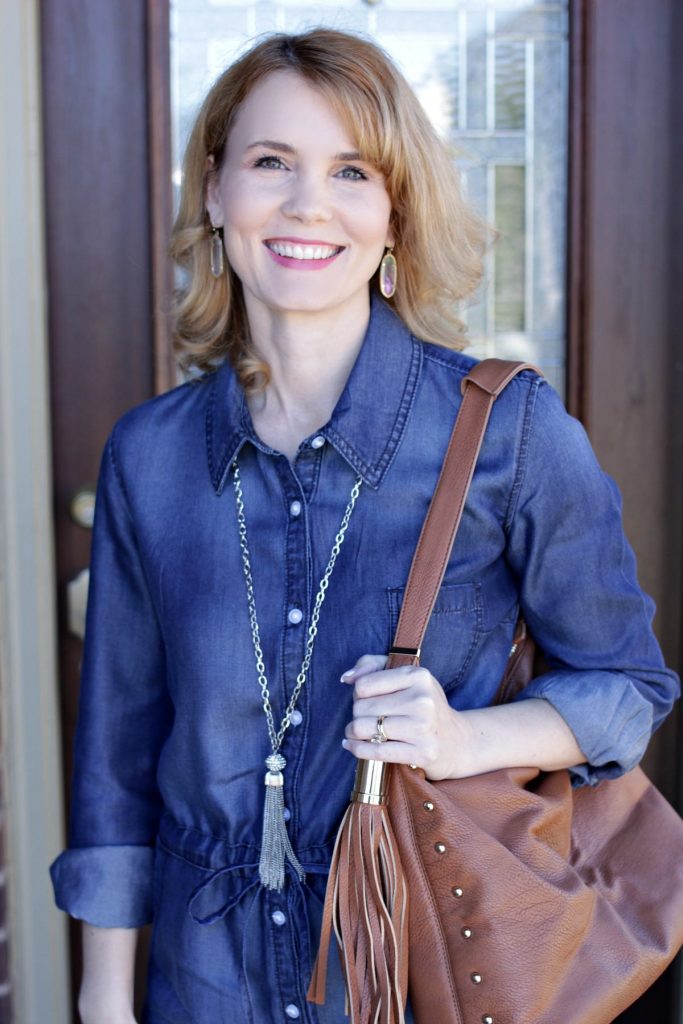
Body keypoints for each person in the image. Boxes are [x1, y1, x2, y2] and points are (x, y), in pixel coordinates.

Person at [50, 27, 680, 1024]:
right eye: (271, 163)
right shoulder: (149, 456)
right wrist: (104, 999)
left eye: (350, 170)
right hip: (199, 989)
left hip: (413, 978)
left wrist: (462, 736)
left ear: (392, 215)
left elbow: (626, 689)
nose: (307, 204)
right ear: (214, 192)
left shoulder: (507, 432)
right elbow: (116, 766)